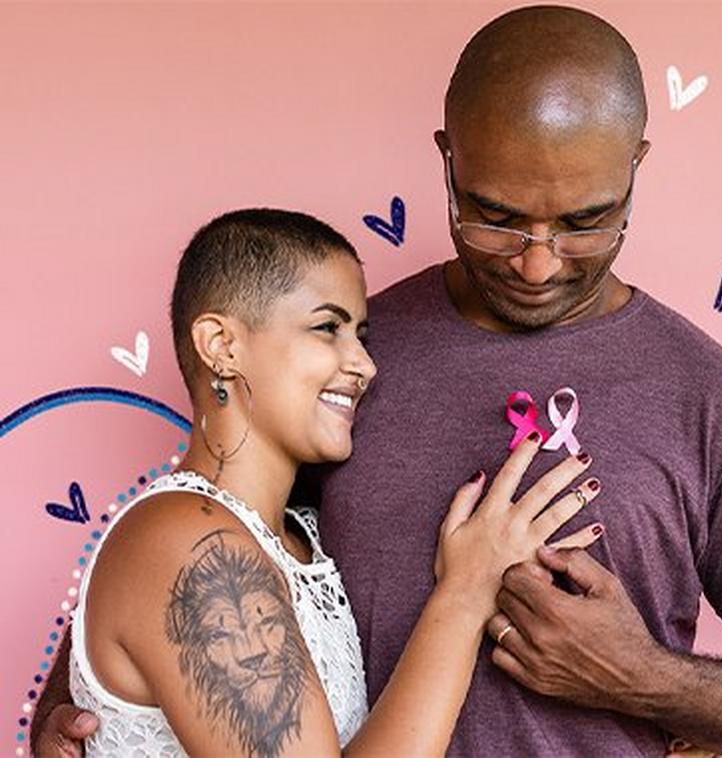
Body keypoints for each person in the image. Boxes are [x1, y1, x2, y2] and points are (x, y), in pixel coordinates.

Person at [35, 6, 722, 756]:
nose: (538, 264)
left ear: (635, 165)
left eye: (585, 222)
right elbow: (202, 543)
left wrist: (641, 677)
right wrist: (81, 705)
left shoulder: (715, 399)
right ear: (448, 160)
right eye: (495, 217)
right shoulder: (347, 362)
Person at [49, 208, 604, 757]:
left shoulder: (304, 534)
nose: (365, 364)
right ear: (221, 345)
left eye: (360, 335)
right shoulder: (187, 545)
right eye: (327, 328)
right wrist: (466, 592)